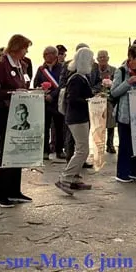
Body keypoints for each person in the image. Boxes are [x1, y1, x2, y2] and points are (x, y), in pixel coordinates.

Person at [0, 34, 33, 208]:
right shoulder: (1, 65)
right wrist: (12, 93)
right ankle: (1, 194)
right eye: (25, 48)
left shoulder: (22, 65)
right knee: (5, 152)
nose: (26, 52)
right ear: (17, 47)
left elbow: (24, 84)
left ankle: (14, 190)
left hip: (19, 112)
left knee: (18, 151)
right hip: (5, 113)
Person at [55, 48, 95, 195]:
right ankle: (66, 177)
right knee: (82, 150)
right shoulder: (77, 78)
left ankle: (75, 177)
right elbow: (72, 99)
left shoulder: (80, 77)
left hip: (79, 117)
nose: (93, 61)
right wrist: (89, 100)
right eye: (91, 58)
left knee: (80, 148)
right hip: (77, 118)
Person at [110, 44, 136, 183]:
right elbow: (114, 92)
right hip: (125, 115)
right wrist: (128, 82)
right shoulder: (121, 71)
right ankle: (122, 173)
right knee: (125, 145)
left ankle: (134, 170)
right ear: (131, 58)